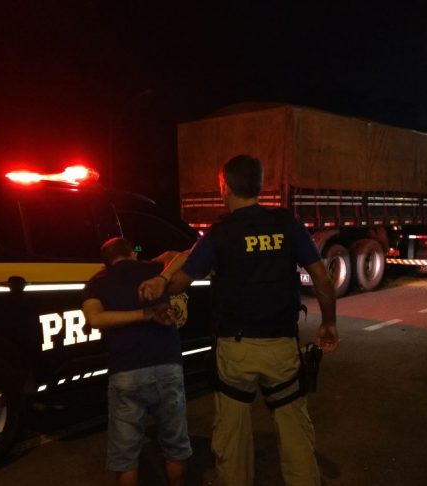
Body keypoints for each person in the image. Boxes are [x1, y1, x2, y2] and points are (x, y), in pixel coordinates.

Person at [138, 155, 338, 486]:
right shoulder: (287, 224)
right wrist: (328, 323)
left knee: (232, 438)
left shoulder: (219, 233)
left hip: (235, 350)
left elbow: (179, 283)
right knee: (295, 434)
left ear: (224, 187)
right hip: (281, 347)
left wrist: (162, 277)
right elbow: (322, 278)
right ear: (259, 186)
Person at [82, 237, 193, 486]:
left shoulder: (95, 283)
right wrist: (162, 276)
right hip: (167, 365)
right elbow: (186, 255)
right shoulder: (154, 269)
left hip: (126, 371)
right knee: (175, 445)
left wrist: (142, 315)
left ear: (106, 261)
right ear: (132, 253)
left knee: (126, 455)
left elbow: (95, 319)